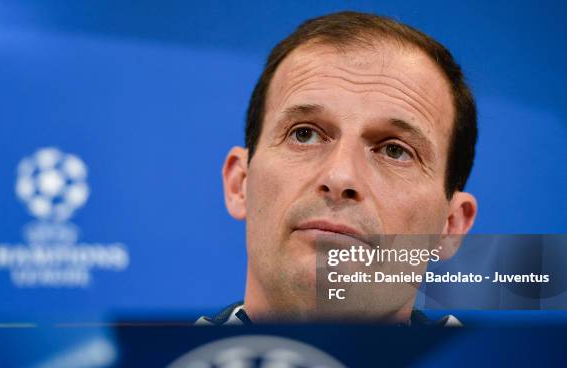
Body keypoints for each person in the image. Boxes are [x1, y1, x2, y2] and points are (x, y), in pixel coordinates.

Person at [197, 11, 477, 326]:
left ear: (450, 226)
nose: (340, 176)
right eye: (304, 134)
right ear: (240, 184)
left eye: (395, 150)